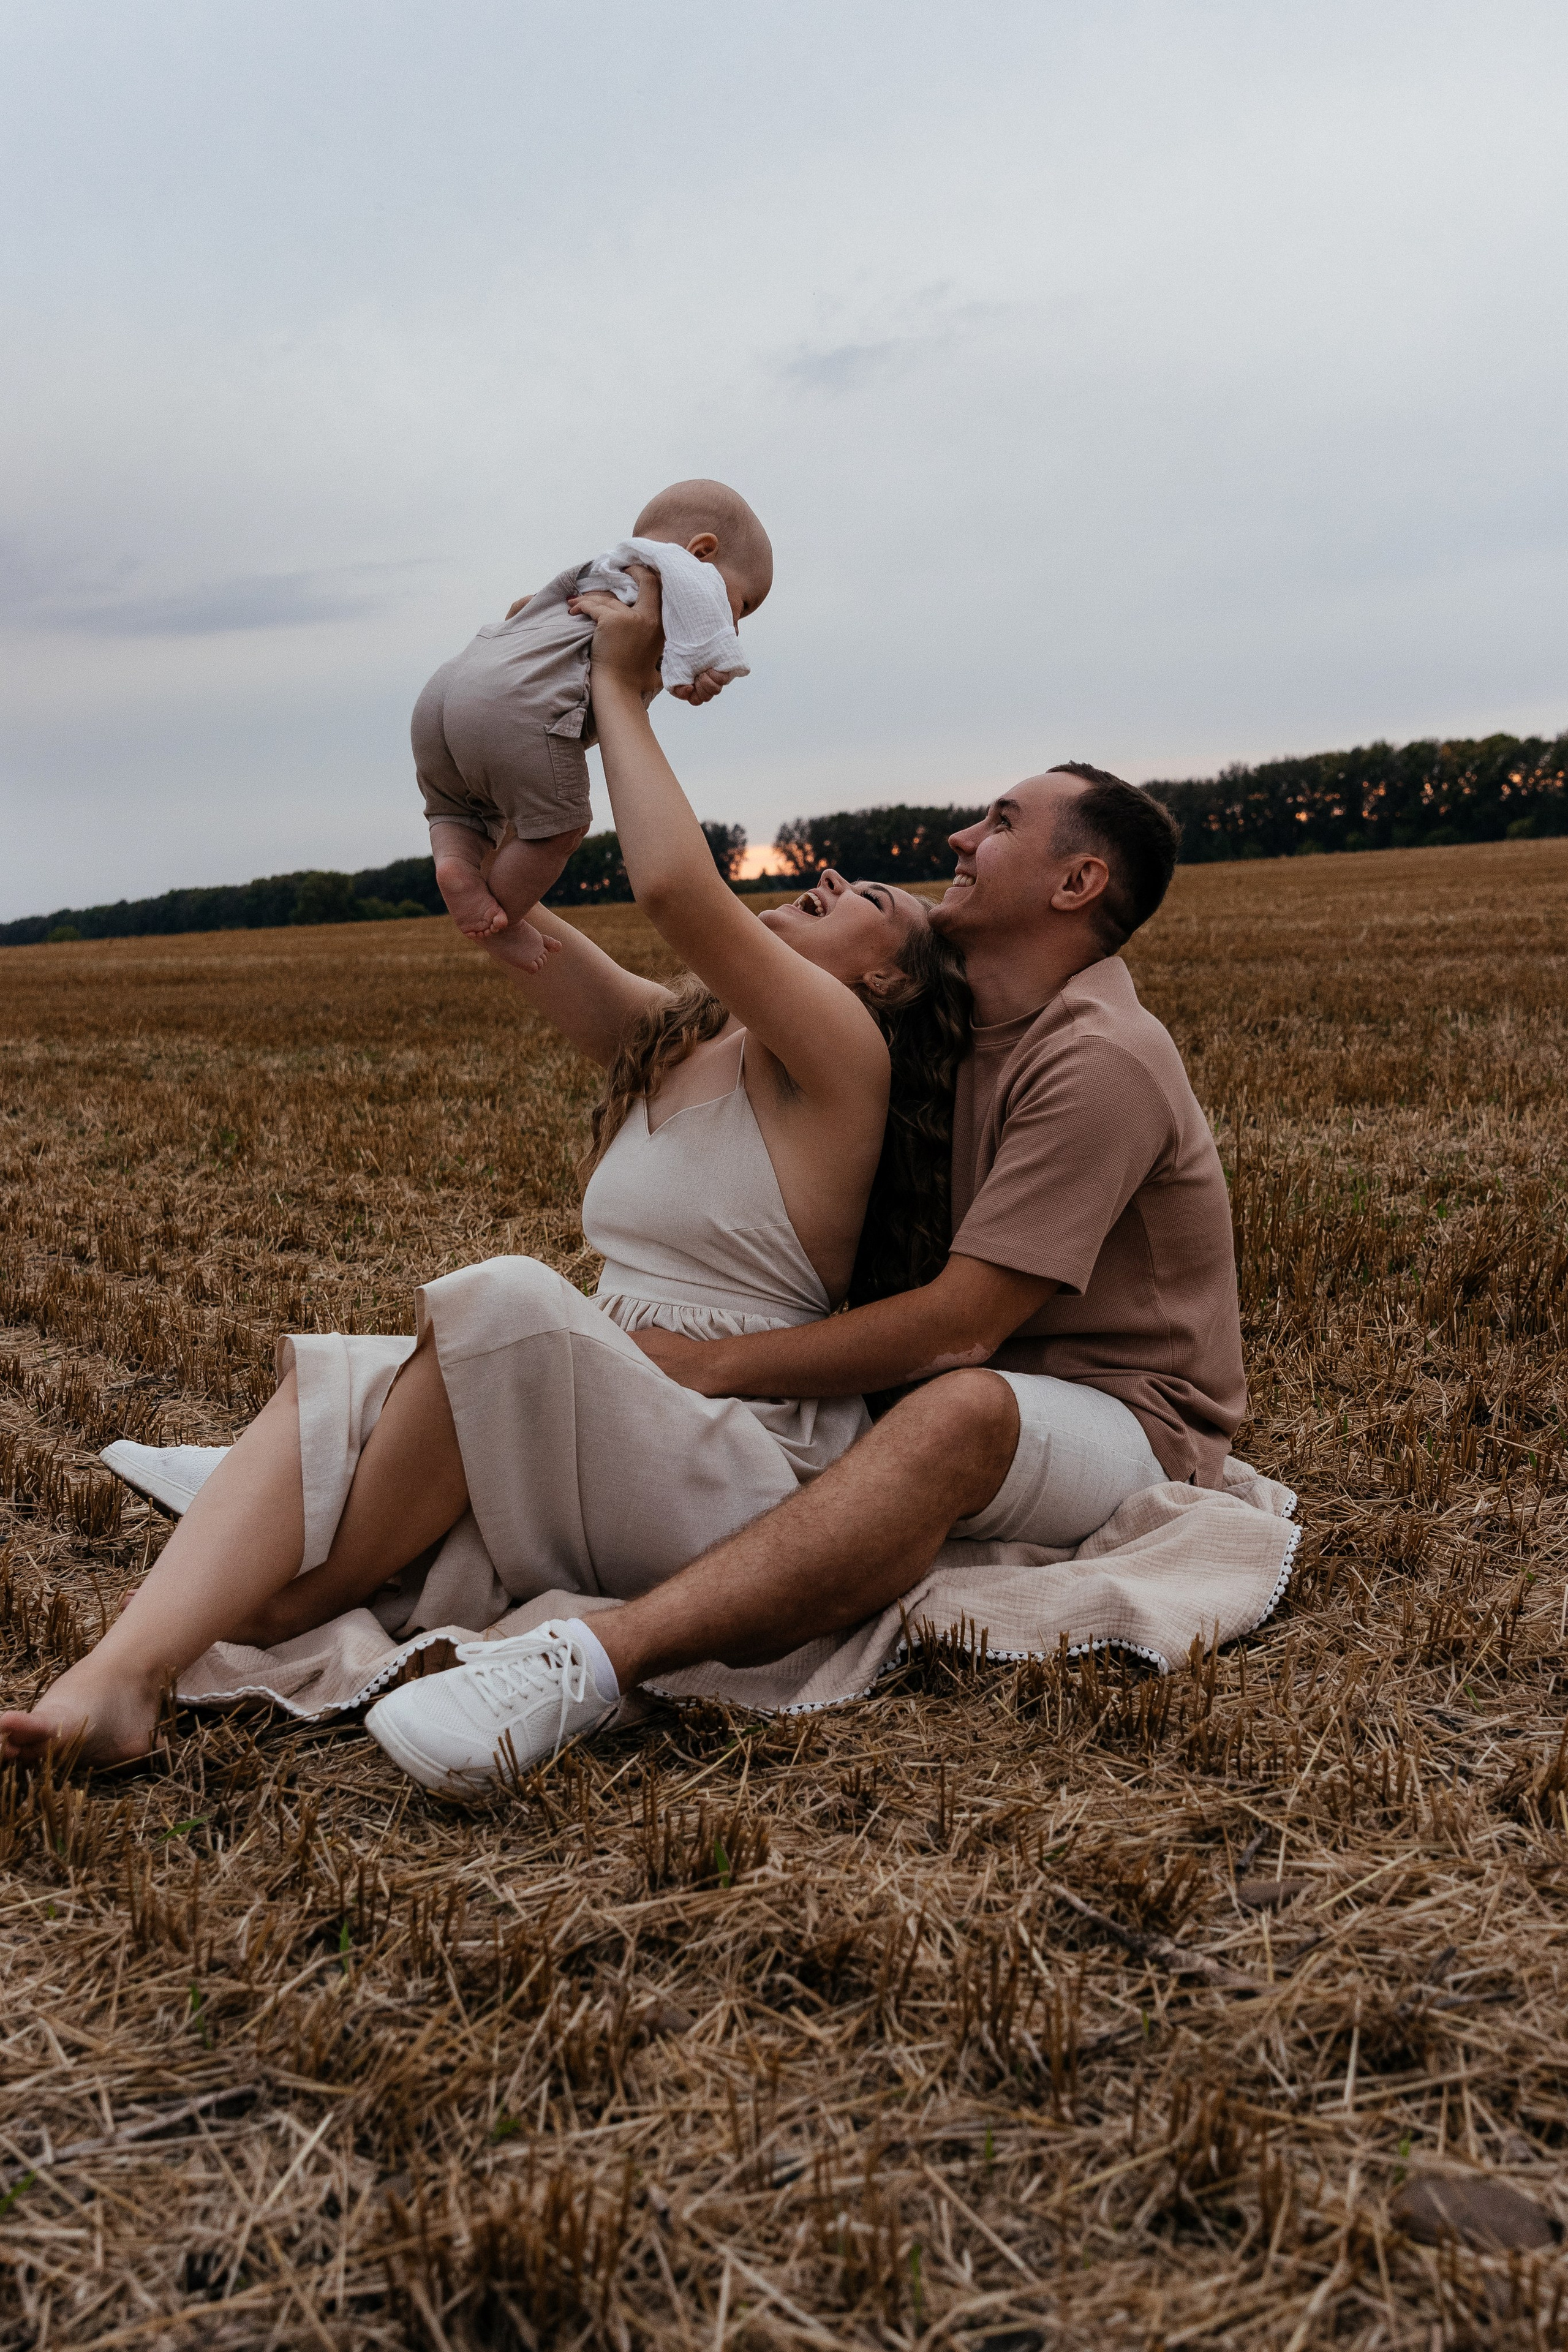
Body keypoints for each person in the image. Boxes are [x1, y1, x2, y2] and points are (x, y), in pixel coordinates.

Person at [0, 567, 967, 1771]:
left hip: (734, 1460)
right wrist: (511, 715)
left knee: (505, 1303)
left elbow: (673, 886)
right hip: (615, 1408)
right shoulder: (686, 1037)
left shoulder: (846, 1055)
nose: (828, 880)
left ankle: (291, 1602)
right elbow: (505, 927)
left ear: (887, 982)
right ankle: (114, 1681)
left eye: (868, 897)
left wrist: (625, 687)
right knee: (343, 1379)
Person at [358, 759, 1256, 1789]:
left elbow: (963, 1325)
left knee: (963, 1410)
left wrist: (713, 1366)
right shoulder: (946, 1023)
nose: (961, 839)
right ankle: (352, 1464)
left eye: (1001, 823)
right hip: (944, 1391)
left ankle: (597, 1660)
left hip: (1126, 1416)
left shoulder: (1103, 1057)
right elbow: (654, 1027)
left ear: (1076, 884)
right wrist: (498, 885)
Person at [418, 478, 770, 973]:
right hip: (515, 709)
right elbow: (710, 635)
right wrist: (712, 668)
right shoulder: (682, 574)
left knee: (456, 806)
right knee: (561, 827)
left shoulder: (597, 574)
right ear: (702, 552)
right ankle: (499, 917)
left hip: (449, 689)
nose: (736, 622)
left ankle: (455, 863)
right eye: (746, 604)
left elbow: (522, 609)